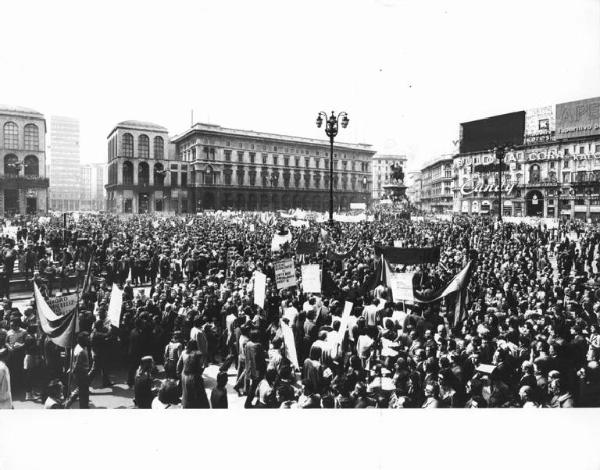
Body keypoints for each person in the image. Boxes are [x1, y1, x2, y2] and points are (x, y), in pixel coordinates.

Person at [177, 340, 209, 409]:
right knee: (198, 396)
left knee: (186, 393)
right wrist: (203, 368)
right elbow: (200, 368)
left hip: (184, 375)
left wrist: (179, 374)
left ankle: (186, 406)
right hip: (194, 377)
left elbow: (178, 365)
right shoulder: (198, 354)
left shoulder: (183, 353)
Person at [65, 332, 91, 409]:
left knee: (80, 391)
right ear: (83, 341)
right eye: (87, 339)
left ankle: (70, 403)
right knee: (84, 393)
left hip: (80, 374)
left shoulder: (79, 347)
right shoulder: (81, 352)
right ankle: (83, 407)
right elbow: (77, 366)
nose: (89, 340)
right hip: (81, 374)